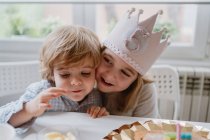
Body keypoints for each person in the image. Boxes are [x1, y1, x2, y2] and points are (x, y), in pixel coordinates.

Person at [0, 25, 108, 131]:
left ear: (95, 70)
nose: (76, 82)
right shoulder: (41, 92)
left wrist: (101, 114)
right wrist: (29, 109)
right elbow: (2, 120)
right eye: (65, 75)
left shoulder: (96, 96)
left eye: (85, 73)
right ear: (51, 73)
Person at [88, 8, 169, 118]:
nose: (110, 76)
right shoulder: (82, 77)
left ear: (136, 79)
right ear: (100, 53)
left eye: (125, 73)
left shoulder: (145, 90)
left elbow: (144, 130)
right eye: (107, 60)